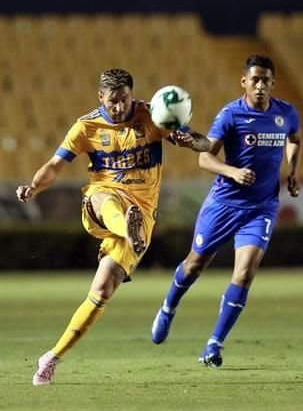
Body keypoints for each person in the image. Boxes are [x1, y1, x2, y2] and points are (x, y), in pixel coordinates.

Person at [16, 68, 211, 385]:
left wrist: (192, 142)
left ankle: (51, 358)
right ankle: (125, 230)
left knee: (102, 290)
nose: (119, 106)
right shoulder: (86, 127)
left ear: (131, 95)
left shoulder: (152, 116)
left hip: (143, 213)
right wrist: (35, 187)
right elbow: (55, 165)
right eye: (112, 101)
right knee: (109, 201)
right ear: (100, 98)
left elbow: (205, 143)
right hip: (101, 201)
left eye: (124, 99)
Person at [151, 54, 303, 367]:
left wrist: (294, 170)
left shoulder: (286, 113)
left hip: (261, 207)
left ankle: (214, 345)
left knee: (245, 273)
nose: (260, 85)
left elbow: (295, 139)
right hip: (223, 204)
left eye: (265, 80)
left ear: (273, 82)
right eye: (255, 79)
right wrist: (231, 171)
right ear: (244, 82)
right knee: (195, 265)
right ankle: (168, 307)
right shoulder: (231, 115)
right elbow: (206, 155)